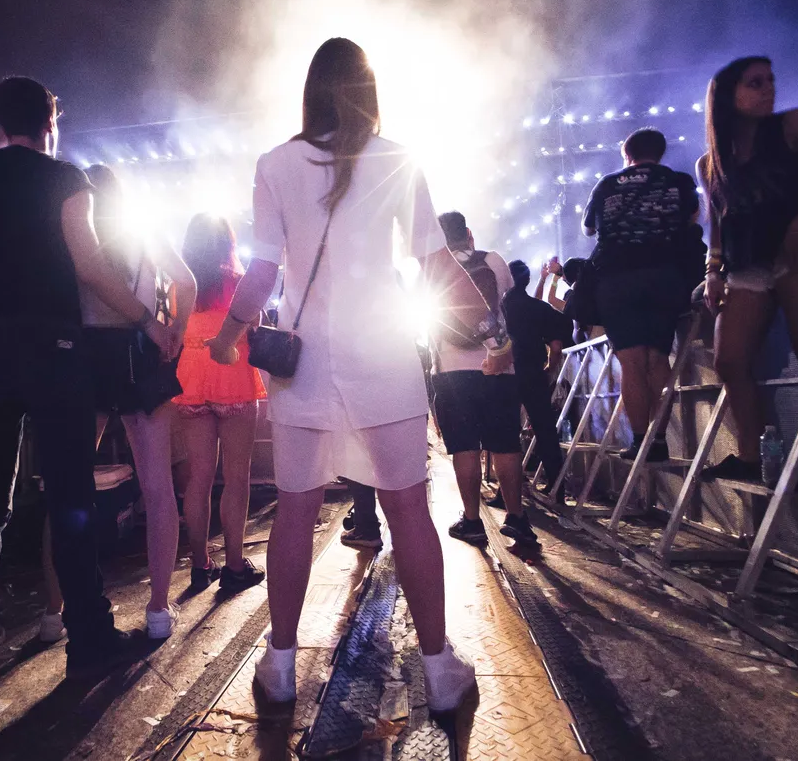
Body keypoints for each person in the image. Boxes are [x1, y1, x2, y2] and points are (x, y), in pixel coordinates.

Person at [204, 37, 492, 711]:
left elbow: (263, 270)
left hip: (303, 362)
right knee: (408, 508)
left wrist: (225, 337)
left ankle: (279, 666)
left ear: (311, 91)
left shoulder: (276, 164)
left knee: (295, 510)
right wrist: (491, 320)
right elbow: (435, 262)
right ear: (368, 91)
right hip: (382, 353)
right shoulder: (395, 159)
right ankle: (439, 671)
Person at [0, 77, 168, 679]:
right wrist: (146, 319)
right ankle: (89, 639)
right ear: (51, 121)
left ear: (2, 121)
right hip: (52, 343)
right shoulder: (66, 178)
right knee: (70, 491)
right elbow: (89, 264)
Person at [698, 56, 798, 490]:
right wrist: (712, 269)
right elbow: (718, 222)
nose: (768, 89)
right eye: (754, 83)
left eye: (769, 80)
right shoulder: (711, 162)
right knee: (729, 359)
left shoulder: (795, 124)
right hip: (748, 262)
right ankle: (751, 454)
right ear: (727, 95)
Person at [58, 163, 193, 640]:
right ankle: (158, 611)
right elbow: (187, 282)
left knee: (69, 485)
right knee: (158, 487)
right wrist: (175, 332)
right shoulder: (143, 230)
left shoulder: (74, 230)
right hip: (139, 354)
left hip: (85, 354)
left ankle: (53, 612)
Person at [582, 128, 700, 461]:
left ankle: (639, 441)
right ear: (660, 152)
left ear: (626, 153)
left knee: (631, 363)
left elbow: (589, 228)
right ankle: (659, 441)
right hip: (665, 275)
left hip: (617, 279)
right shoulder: (678, 181)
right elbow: (693, 219)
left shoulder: (607, 184)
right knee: (658, 359)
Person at [429, 212, 537, 548]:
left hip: (451, 371)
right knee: (505, 444)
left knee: (465, 448)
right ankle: (516, 518)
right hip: (498, 364)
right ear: (468, 233)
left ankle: (472, 521)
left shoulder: (432, 269)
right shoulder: (492, 261)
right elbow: (502, 301)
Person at [174, 213, 268, 593]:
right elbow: (257, 322)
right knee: (236, 476)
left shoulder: (180, 281)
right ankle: (234, 566)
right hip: (233, 376)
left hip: (191, 379)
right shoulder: (239, 281)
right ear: (227, 243)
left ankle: (200, 565)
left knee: (199, 477)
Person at [502, 260, 572, 496]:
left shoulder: (499, 308)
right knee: (545, 429)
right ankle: (557, 488)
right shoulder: (539, 308)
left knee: (507, 432)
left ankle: (508, 492)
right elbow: (556, 346)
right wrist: (550, 369)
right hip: (533, 372)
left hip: (506, 373)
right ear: (527, 280)